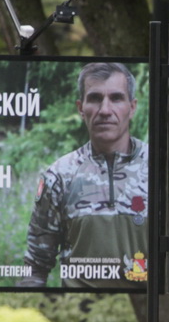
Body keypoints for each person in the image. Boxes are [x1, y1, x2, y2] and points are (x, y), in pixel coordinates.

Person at [19, 62, 150, 289]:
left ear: (132, 106)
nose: (105, 110)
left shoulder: (162, 169)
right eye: (95, 98)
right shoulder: (60, 176)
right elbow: (35, 267)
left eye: (116, 98)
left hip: (150, 311)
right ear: (81, 107)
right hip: (78, 308)